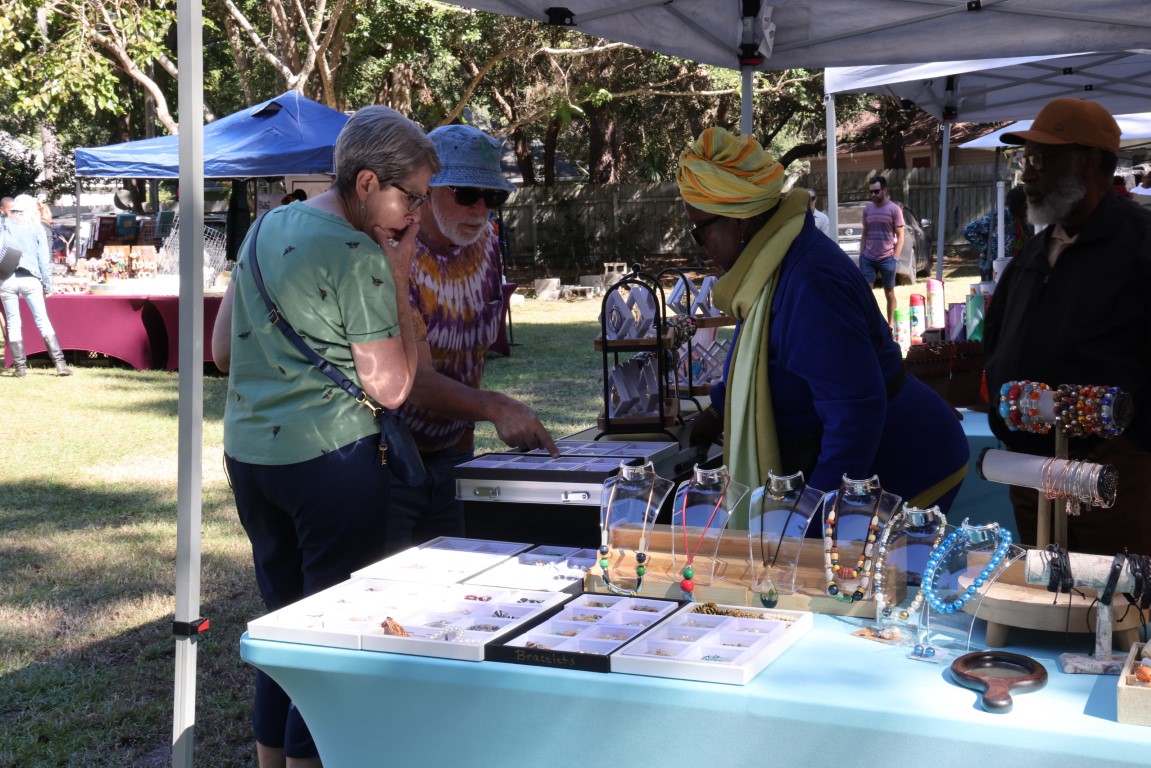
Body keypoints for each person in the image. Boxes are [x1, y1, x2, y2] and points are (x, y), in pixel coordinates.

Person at [214, 105, 437, 768]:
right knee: (331, 638)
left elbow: (222, 350)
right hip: (330, 462)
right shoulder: (358, 255)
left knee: (283, 629)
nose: (417, 216)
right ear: (367, 184)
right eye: (413, 198)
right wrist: (398, 277)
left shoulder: (265, 225)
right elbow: (393, 388)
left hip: (252, 458)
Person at [680, 127, 968, 523]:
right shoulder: (774, 259)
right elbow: (763, 356)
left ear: (740, 221)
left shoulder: (810, 282)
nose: (699, 243)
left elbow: (855, 416)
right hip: (869, 456)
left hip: (905, 463)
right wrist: (718, 408)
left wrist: (811, 522)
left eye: (700, 230)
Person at [985, 97, 1151, 556]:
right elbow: (997, 336)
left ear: (1090, 161)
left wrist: (1133, 444)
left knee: (1114, 607)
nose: (1029, 174)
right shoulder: (1035, 252)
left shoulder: (1140, 244)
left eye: (1044, 160)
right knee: (1042, 600)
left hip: (1112, 471)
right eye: (1027, 160)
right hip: (1030, 466)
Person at [389, 124, 558, 544]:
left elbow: (473, 358)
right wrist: (496, 408)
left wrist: (463, 451)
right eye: (465, 193)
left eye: (493, 197)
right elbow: (414, 379)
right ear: (426, 189)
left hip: (453, 455)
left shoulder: (486, 245)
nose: (480, 209)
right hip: (390, 460)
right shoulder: (395, 256)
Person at [1, 194, 71, 376]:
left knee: (13, 322)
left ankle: (20, 368)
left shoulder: (4, 226)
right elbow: (44, 261)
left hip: (7, 278)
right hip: (31, 279)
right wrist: (47, 286)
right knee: (42, 320)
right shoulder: (37, 227)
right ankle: (60, 364)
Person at [858, 175, 904, 327]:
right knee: (866, 294)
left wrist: (895, 258)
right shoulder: (867, 210)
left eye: (876, 191)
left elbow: (900, 235)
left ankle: (890, 327)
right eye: (871, 192)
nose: (873, 195)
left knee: (889, 293)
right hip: (868, 258)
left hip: (887, 258)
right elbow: (865, 232)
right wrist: (862, 253)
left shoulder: (894, 209)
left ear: (885, 190)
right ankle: (871, 325)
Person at [962, 186, 1029, 281]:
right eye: (1026, 204)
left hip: (1016, 268)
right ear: (1018, 204)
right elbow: (968, 230)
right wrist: (986, 249)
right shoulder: (1000, 215)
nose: (1028, 207)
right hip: (995, 268)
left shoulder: (1024, 220)